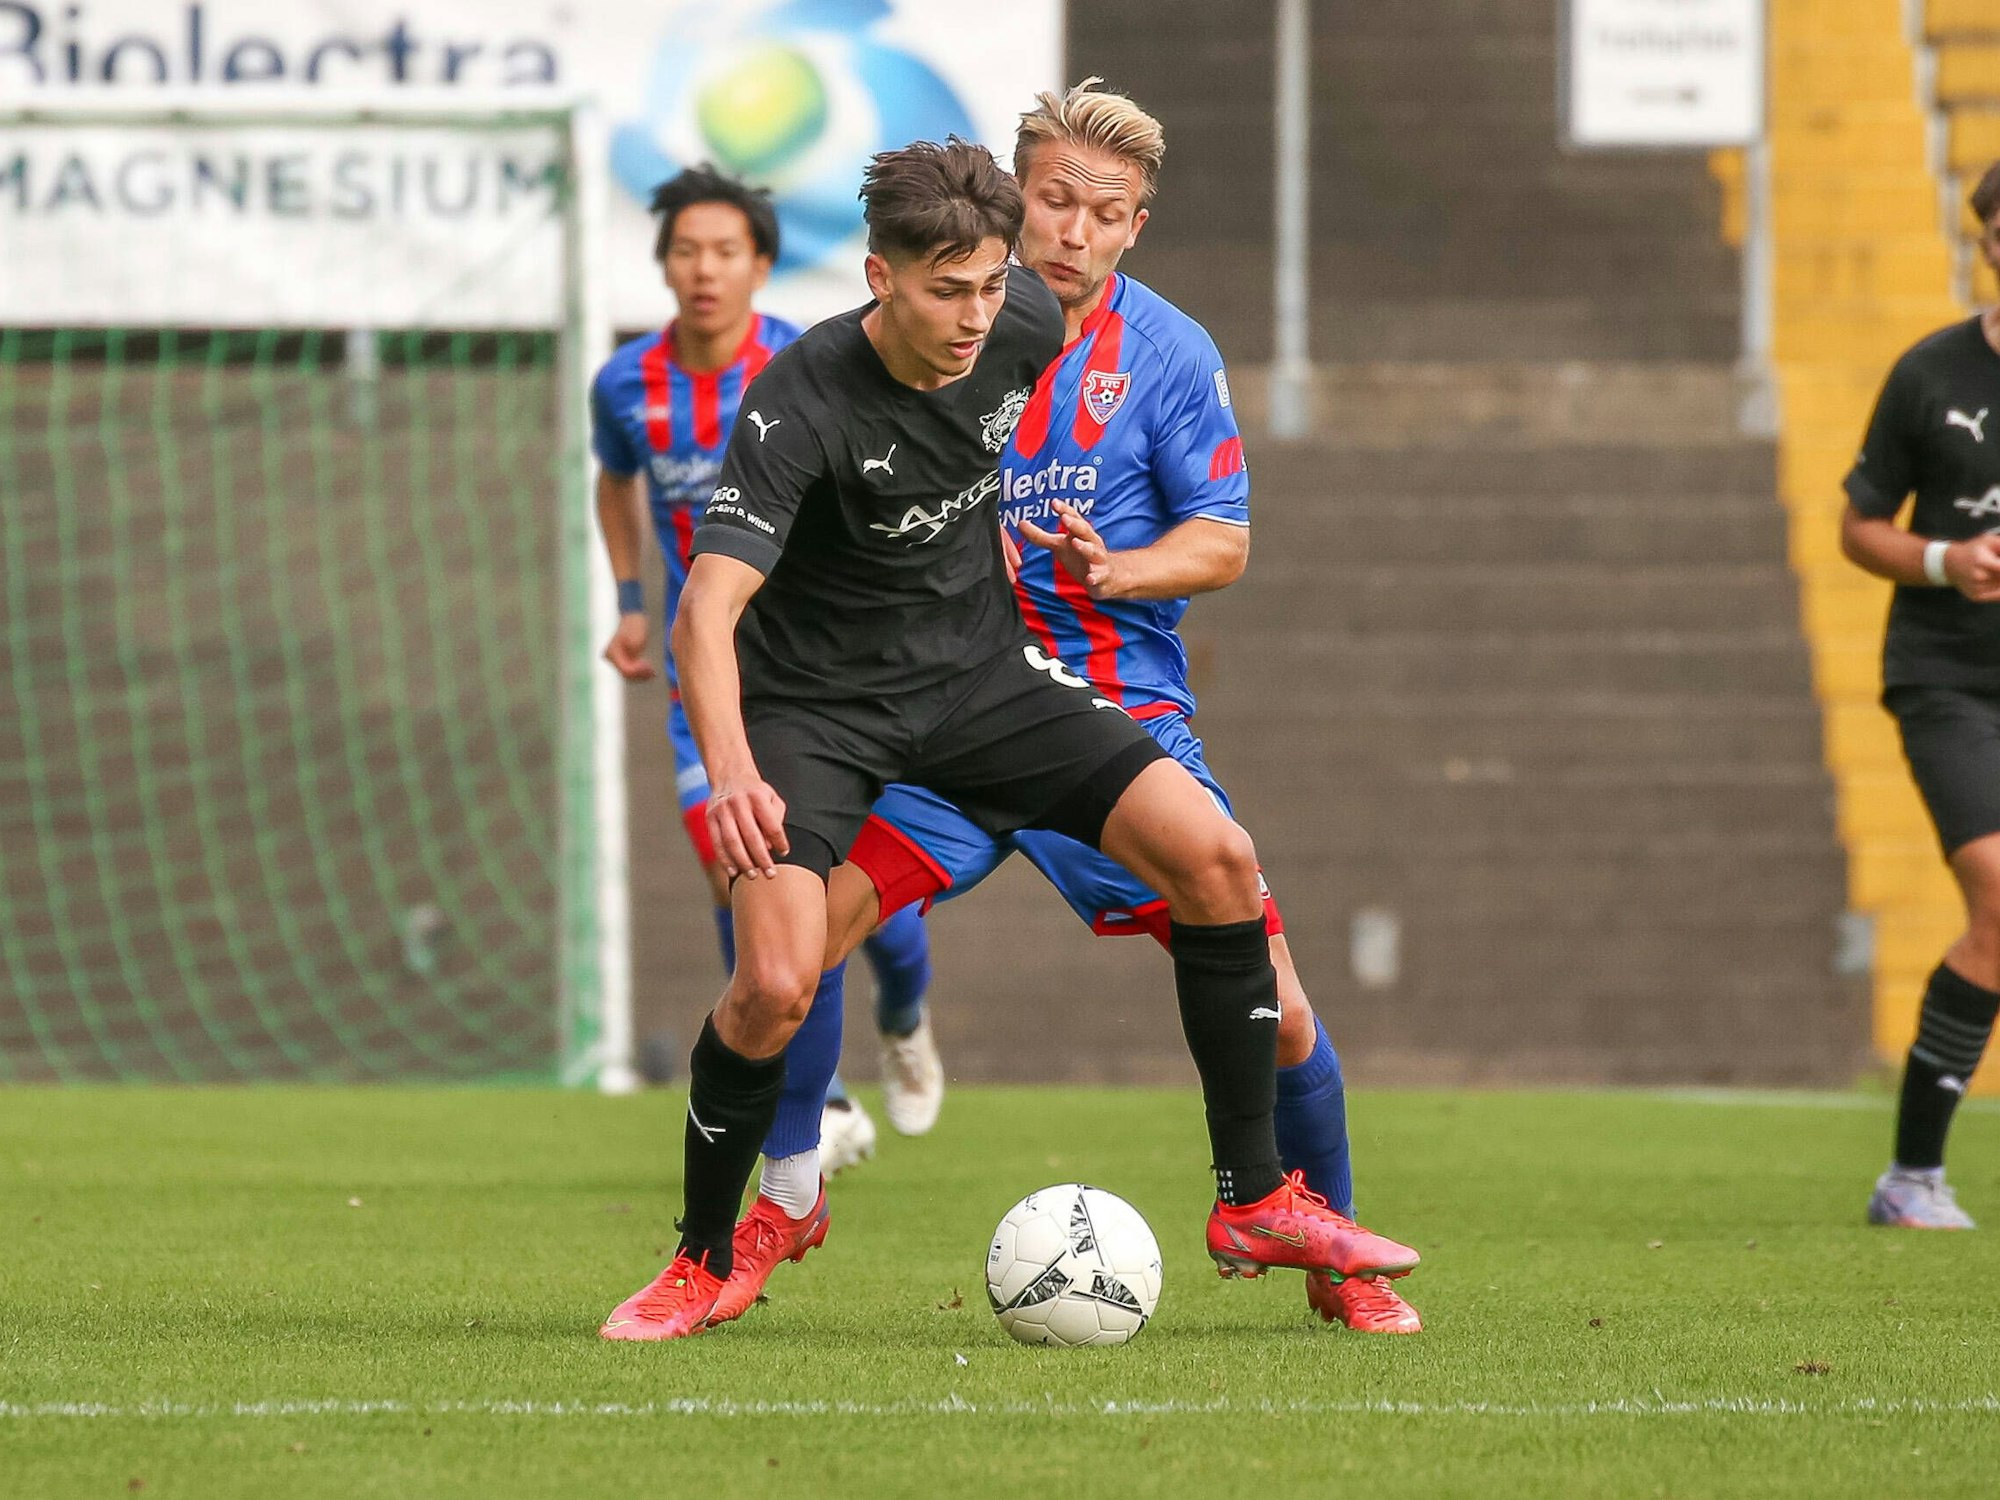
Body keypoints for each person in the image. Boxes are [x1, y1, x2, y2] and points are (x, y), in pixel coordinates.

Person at [600, 137, 1418, 1341]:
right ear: (878, 277)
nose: (978, 316)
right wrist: (730, 772)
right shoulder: (800, 402)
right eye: (948, 291)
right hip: (819, 711)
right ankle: (705, 1249)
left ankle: (1254, 1199)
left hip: (980, 684)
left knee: (1218, 860)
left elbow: (1086, 345)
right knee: (775, 978)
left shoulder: (1020, 321)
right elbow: (703, 611)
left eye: (992, 285)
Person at [588, 166, 939, 1178]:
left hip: (831, 672)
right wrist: (626, 605)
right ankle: (817, 1095)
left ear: (761, 265)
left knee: (867, 894)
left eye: (725, 250)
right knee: (739, 862)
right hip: (713, 672)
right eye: (685, 250)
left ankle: (906, 1009)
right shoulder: (625, 386)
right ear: (662, 265)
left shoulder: (803, 360)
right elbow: (616, 486)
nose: (704, 269)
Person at [1841, 158, 2000, 1231]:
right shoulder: (1929, 374)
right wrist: (1947, 560)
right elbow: (1857, 526)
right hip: (1948, 678)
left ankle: (1908, 1180)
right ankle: (1910, 1178)